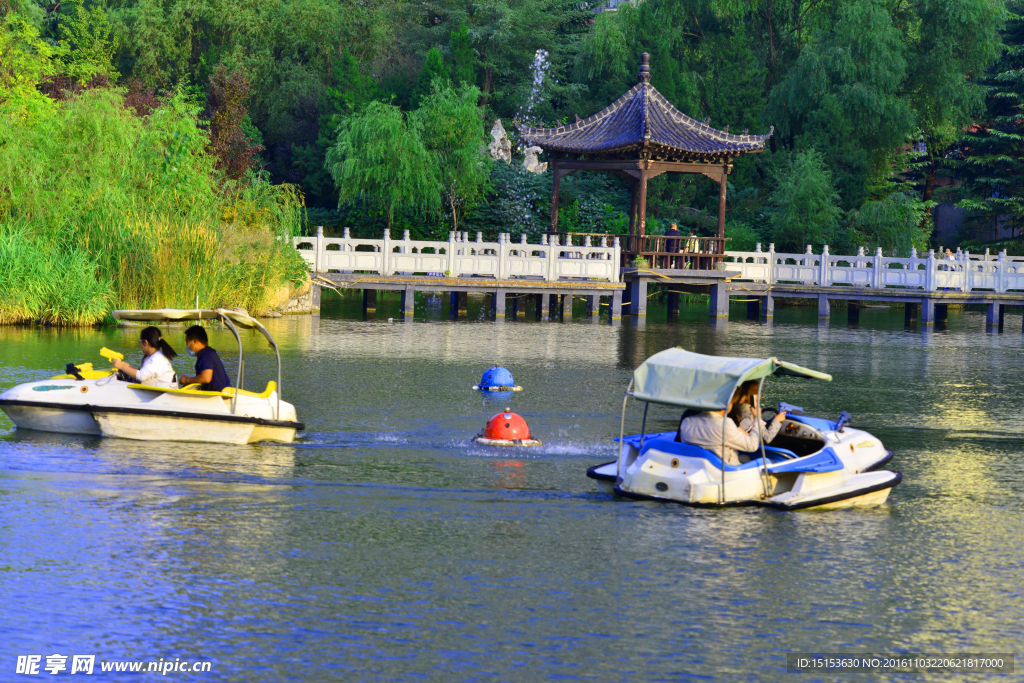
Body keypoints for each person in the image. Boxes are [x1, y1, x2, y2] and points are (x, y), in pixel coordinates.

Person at [678, 385, 788, 466]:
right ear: (725, 405)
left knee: (745, 457)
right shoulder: (725, 424)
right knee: (770, 462)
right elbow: (752, 446)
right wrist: (758, 419)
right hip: (726, 470)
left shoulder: (687, 421)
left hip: (698, 466)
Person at [112, 326, 178, 388]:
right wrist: (126, 365)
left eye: (140, 342)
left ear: (145, 342)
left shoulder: (156, 359)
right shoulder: (157, 355)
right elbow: (145, 372)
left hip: (162, 395)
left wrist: (122, 366)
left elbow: (141, 376)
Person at [730, 380, 786, 444]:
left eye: (759, 393)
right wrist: (776, 420)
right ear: (743, 397)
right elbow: (767, 438)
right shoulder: (750, 412)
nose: (759, 396)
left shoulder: (738, 411)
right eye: (756, 392)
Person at [178, 326, 232, 392]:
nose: (187, 346)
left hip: (218, 395)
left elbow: (206, 378)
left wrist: (186, 380)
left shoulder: (205, 355)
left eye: (187, 343)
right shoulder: (209, 352)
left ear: (194, 341)